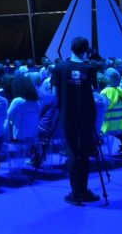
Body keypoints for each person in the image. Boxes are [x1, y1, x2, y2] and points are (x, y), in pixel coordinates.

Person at [51, 36, 100, 205]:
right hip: (87, 116)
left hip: (68, 116)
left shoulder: (59, 67)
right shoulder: (90, 68)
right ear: (86, 50)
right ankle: (83, 190)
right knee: (84, 154)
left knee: (73, 152)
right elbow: (94, 91)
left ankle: (76, 193)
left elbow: (54, 95)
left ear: (71, 48)